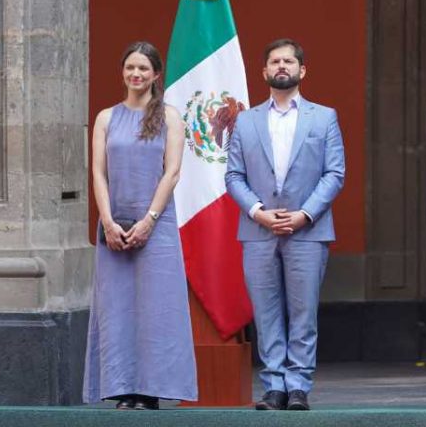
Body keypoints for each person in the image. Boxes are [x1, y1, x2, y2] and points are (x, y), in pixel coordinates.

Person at [225, 38, 345, 411]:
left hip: (307, 229)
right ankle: (273, 385)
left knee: (303, 311)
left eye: (288, 61)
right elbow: (233, 176)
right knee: (266, 311)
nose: (281, 66)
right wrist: (258, 211)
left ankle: (298, 386)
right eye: (274, 61)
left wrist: (304, 214)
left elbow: (334, 173)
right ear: (264, 71)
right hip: (258, 229)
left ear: (301, 70)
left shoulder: (323, 117)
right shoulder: (245, 120)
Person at [84, 41, 197, 409]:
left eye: (143, 69)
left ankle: (150, 390)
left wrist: (149, 219)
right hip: (114, 226)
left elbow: (173, 171)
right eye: (130, 67)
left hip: (156, 226)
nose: (136, 74)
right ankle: (122, 388)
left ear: (156, 75)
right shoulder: (106, 118)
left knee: (157, 308)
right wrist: (106, 220)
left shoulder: (170, 116)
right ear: (123, 71)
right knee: (116, 306)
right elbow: (98, 173)